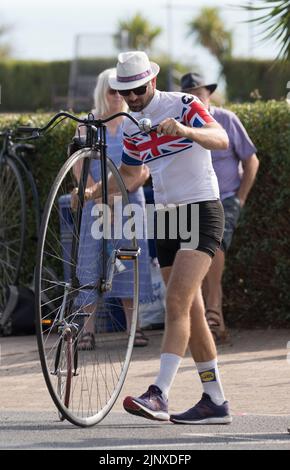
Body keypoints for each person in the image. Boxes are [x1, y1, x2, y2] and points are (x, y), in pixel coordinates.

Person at [84, 51, 231, 424]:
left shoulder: (184, 104)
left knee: (177, 300)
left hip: (200, 208)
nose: (132, 97)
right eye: (125, 91)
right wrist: (94, 193)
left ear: (151, 80)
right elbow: (132, 177)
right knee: (191, 311)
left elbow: (220, 139)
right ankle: (214, 400)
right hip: (164, 217)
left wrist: (184, 130)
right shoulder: (132, 125)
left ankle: (160, 393)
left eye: (137, 89)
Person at [72, 68, 152, 349]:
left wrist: (121, 191)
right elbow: (80, 168)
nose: (118, 96)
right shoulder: (86, 125)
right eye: (112, 90)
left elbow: (145, 168)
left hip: (130, 203)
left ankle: (135, 329)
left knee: (131, 262)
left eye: (122, 91)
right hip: (96, 204)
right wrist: (98, 195)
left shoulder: (136, 122)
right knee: (90, 263)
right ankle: (86, 330)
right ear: (101, 92)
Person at [180, 72, 259, 342]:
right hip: (190, 200)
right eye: (189, 95)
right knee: (190, 254)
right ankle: (210, 325)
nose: (195, 99)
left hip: (224, 198)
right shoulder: (180, 126)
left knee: (213, 246)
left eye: (199, 93)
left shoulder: (226, 119)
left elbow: (251, 161)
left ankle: (214, 310)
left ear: (208, 94)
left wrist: (240, 199)